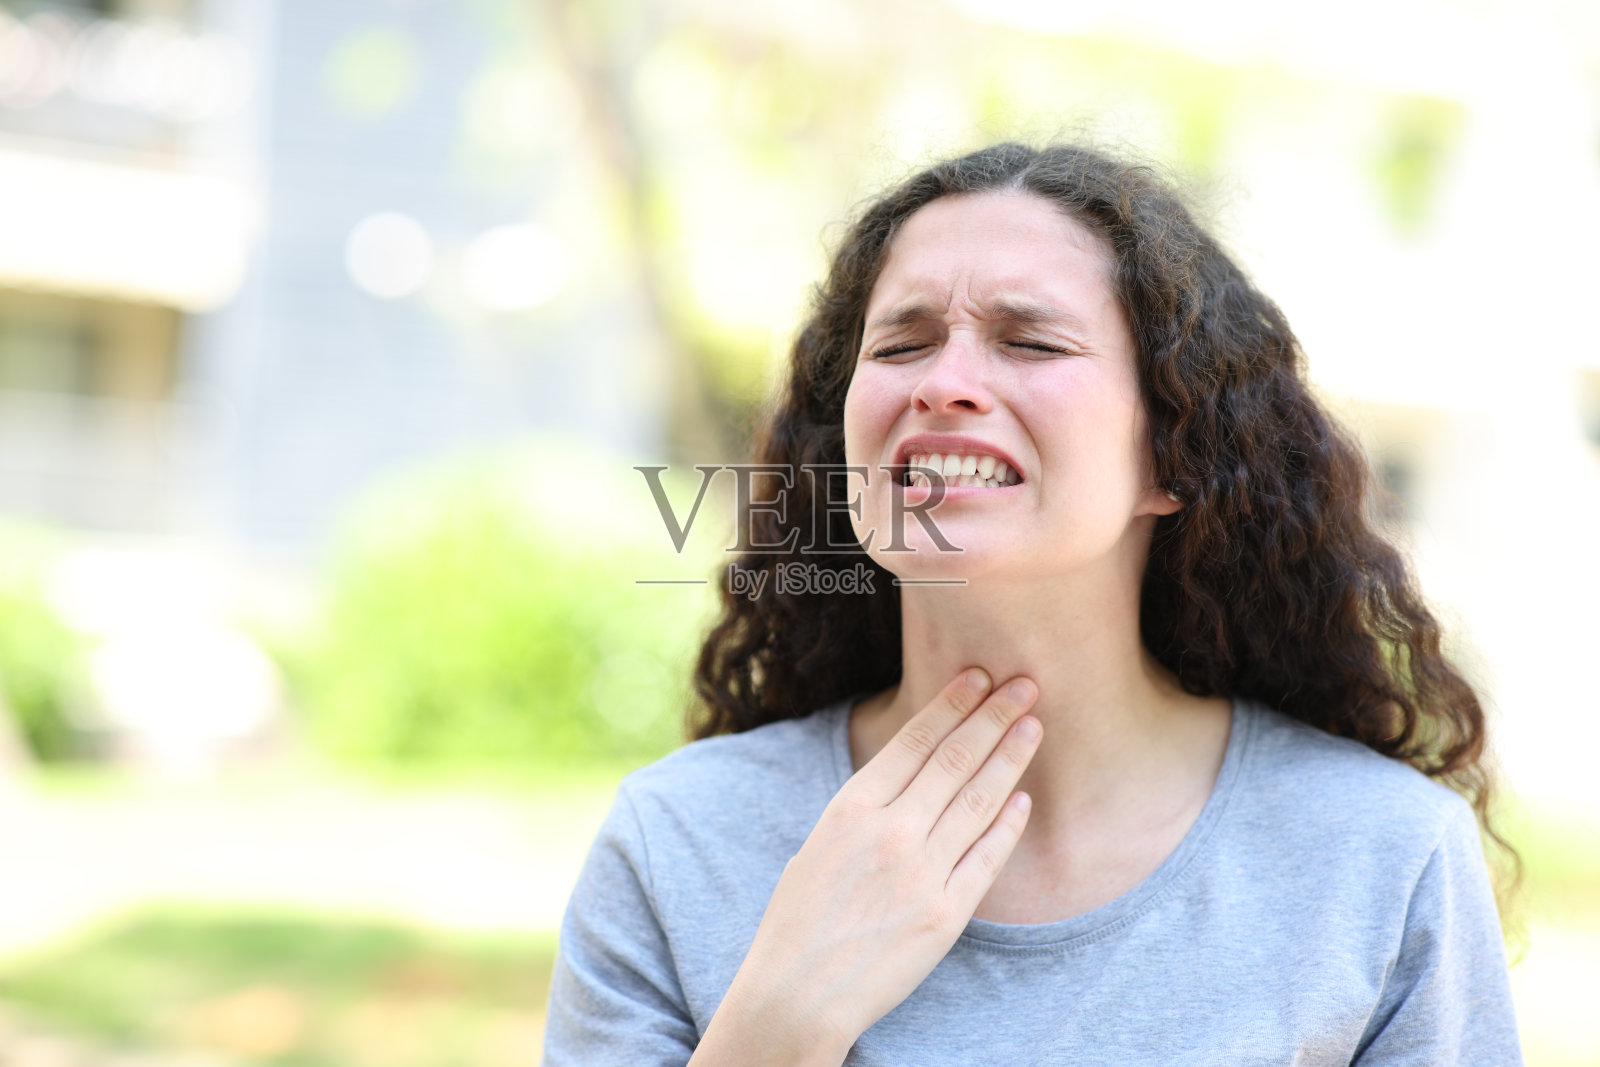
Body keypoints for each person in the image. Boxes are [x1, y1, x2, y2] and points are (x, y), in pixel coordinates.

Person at [540, 142, 1523, 1065]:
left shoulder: (1382, 858)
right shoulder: (676, 842)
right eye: (901, 344)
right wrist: (777, 1021)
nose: (944, 382)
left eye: (1029, 340)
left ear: (1176, 453)